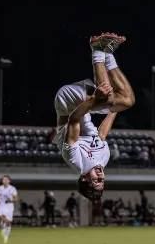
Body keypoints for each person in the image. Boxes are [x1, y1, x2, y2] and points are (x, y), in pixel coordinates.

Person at [53, 32, 135, 202]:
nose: (100, 176)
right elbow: (101, 135)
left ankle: (97, 49)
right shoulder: (102, 161)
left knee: (107, 98)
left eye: (96, 180)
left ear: (85, 179)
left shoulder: (76, 161)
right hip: (83, 108)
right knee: (128, 101)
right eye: (102, 180)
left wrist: (94, 99)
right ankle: (109, 54)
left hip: (67, 105)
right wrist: (114, 110)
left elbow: (73, 120)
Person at [0, 175, 18, 243]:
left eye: (7, 179)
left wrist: (10, 200)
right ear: (2, 181)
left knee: (8, 223)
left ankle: (6, 236)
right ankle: (3, 227)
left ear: (9, 181)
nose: (5, 181)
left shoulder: (12, 189)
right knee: (2, 217)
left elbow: (16, 198)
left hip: (9, 207)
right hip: (1, 206)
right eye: (4, 179)